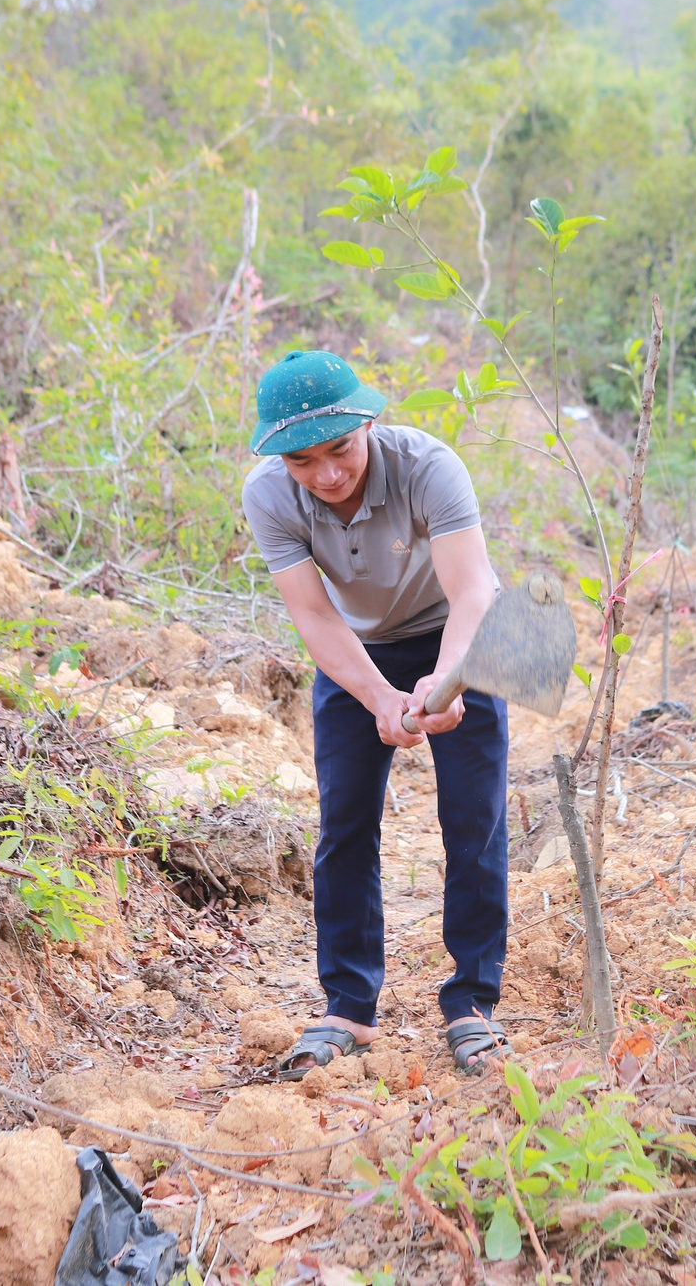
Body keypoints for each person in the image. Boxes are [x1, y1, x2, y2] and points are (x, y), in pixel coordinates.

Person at [240, 349, 514, 1079]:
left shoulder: (430, 467)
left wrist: (443, 687)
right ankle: (349, 1004)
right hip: (359, 649)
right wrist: (378, 696)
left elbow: (474, 591)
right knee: (346, 823)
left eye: (341, 448)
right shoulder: (267, 495)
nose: (327, 474)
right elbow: (314, 616)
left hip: (458, 636)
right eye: (303, 461)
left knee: (473, 818)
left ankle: (472, 1003)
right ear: (278, 457)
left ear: (368, 422)